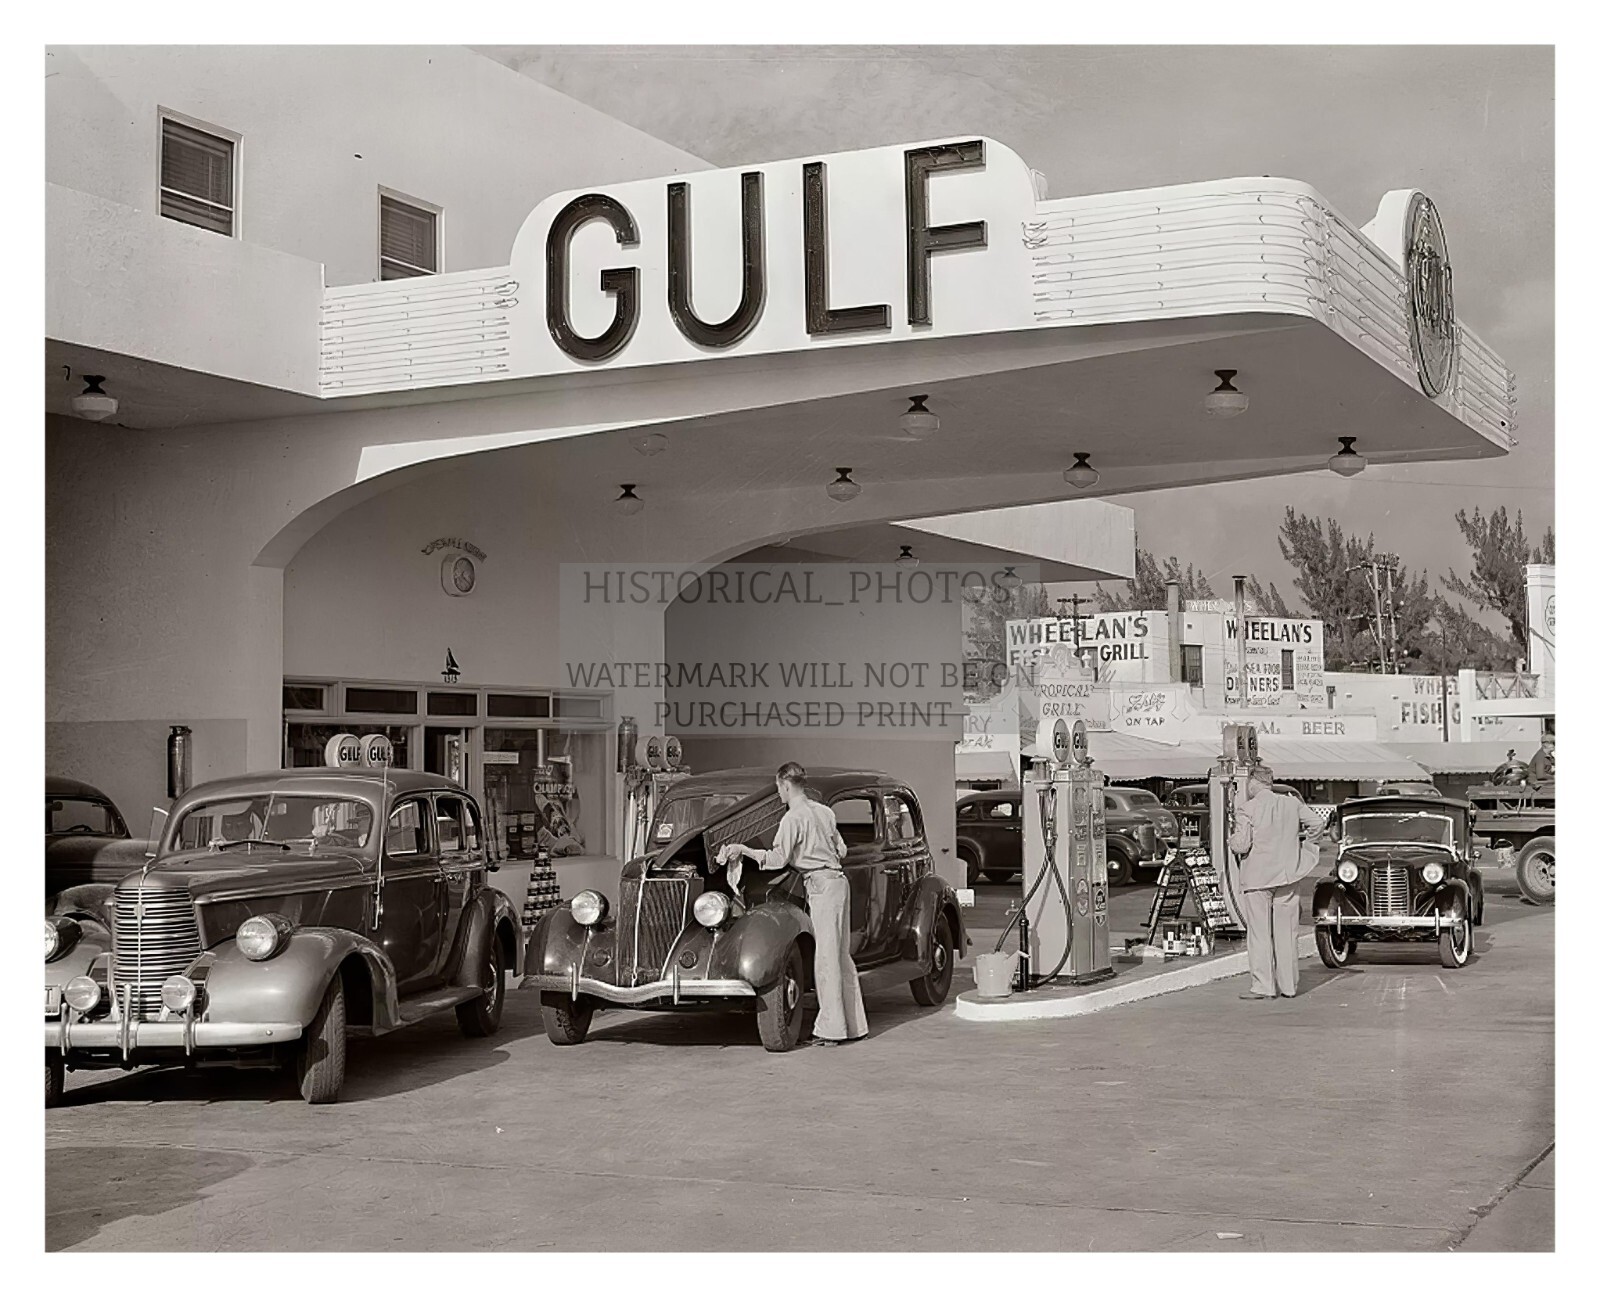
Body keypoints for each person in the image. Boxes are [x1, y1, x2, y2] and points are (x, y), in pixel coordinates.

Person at [717, 762, 867, 1046]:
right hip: (838, 882)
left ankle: (831, 1030)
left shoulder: (792, 818)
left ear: (785, 785)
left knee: (825, 959)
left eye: (778, 789)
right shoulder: (825, 812)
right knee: (840, 955)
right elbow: (842, 849)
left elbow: (777, 859)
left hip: (821, 886)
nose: (779, 794)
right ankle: (854, 1025)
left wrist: (744, 850)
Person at [1227, 765, 1327, 1000]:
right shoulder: (1291, 803)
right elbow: (1317, 824)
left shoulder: (1247, 809)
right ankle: (1289, 986)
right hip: (1288, 875)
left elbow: (1241, 845)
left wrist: (1231, 839)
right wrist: (1307, 849)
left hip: (1258, 878)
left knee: (1260, 934)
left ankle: (1263, 986)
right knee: (1286, 933)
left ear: (1253, 782)